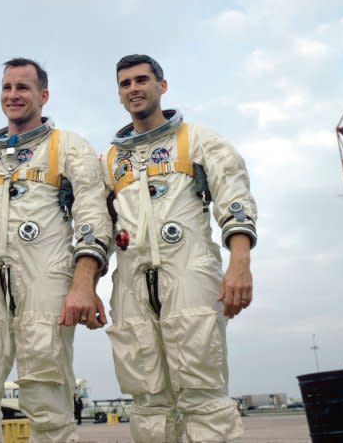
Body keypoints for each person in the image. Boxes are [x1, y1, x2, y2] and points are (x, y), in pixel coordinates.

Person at [0, 58, 112, 443]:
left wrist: (83, 283)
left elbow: (92, 214)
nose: (13, 95)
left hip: (46, 280)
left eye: (23, 88)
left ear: (43, 95)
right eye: (7, 88)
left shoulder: (66, 146)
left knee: (46, 393)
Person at [102, 55, 256, 442]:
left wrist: (239, 263)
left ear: (162, 86)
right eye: (125, 84)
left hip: (189, 271)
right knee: (148, 400)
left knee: (203, 393)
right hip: (133, 283)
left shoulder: (196, 140)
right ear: (119, 95)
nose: (133, 89)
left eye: (141, 80)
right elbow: (97, 226)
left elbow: (233, 200)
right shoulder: (110, 160)